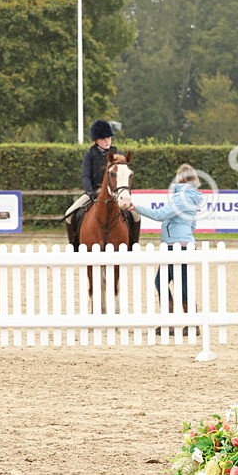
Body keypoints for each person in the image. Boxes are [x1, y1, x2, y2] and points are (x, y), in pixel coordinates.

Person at [134, 164, 204, 331]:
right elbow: (192, 225)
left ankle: (190, 322)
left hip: (176, 246)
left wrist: (135, 208)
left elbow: (160, 215)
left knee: (178, 284)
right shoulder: (191, 197)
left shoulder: (181, 198)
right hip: (180, 244)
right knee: (164, 281)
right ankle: (173, 320)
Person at [64, 119, 141, 249]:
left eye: (109, 138)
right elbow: (85, 176)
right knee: (69, 214)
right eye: (103, 139)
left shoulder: (117, 154)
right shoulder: (90, 155)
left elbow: (122, 175)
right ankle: (74, 246)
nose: (107, 141)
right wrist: (89, 191)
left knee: (136, 214)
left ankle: (133, 245)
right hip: (93, 192)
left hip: (115, 193)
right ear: (96, 140)